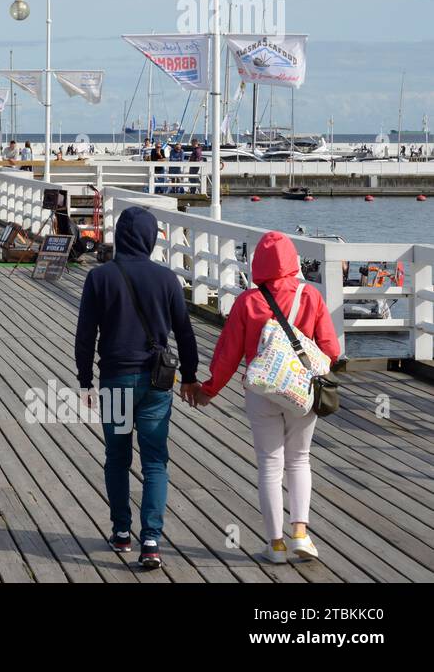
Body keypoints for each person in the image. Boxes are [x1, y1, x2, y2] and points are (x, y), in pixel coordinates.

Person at [191, 231, 341, 563]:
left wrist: (209, 391)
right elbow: (332, 349)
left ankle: (275, 544)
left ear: (258, 262)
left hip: (261, 392)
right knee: (299, 460)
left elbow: (228, 354)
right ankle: (300, 533)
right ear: (292, 260)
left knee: (270, 466)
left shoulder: (248, 301)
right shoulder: (310, 296)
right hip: (302, 390)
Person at [73, 205, 199, 569]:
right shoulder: (167, 279)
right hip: (157, 381)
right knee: (155, 460)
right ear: (149, 238)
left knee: (117, 457)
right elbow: (185, 333)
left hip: (114, 378)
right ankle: (152, 540)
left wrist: (85, 380)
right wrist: (189, 375)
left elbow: (86, 336)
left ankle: (122, 533)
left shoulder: (100, 278)